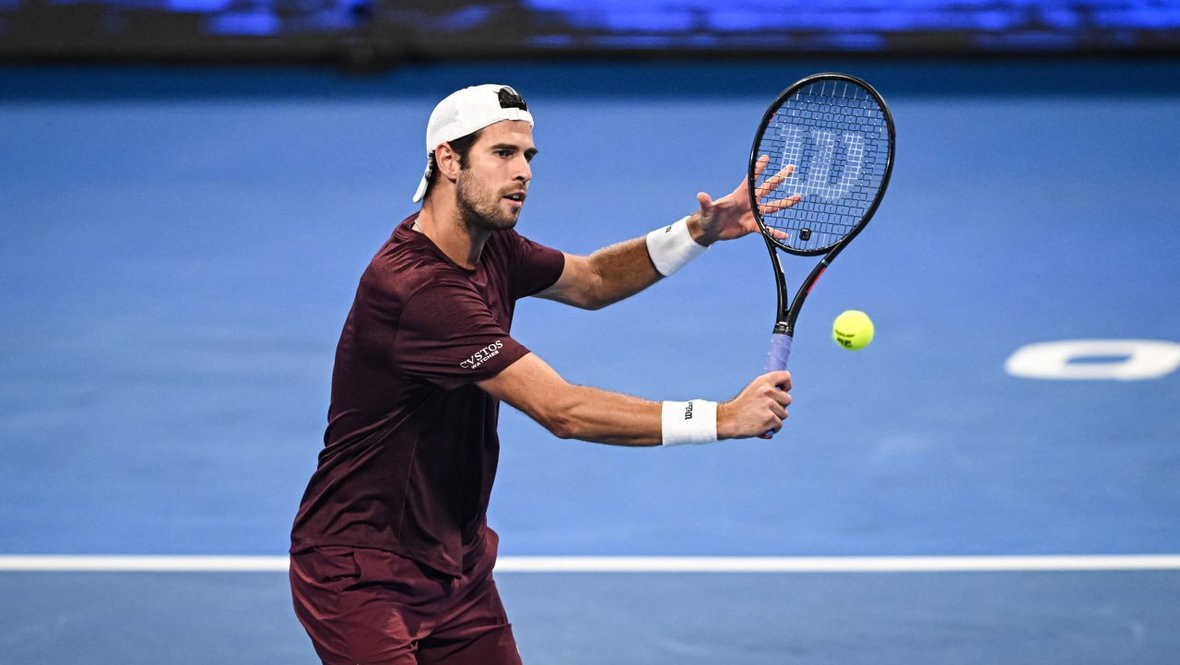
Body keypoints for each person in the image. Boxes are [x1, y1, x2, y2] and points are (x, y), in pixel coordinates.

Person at [289, 84, 797, 665]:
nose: (523, 172)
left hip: (455, 566)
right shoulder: (420, 291)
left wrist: (697, 232)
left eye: (528, 156)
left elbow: (593, 280)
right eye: (503, 153)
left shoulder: (492, 248)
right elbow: (563, 410)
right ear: (448, 160)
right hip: (362, 572)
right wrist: (722, 418)